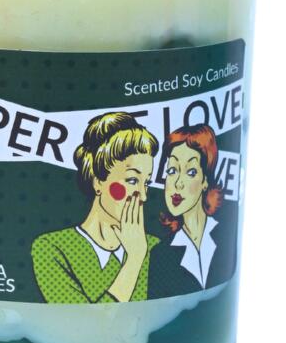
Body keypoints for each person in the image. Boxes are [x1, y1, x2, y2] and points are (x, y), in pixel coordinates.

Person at [31, 112, 160, 303]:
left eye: (146, 183)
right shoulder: (52, 248)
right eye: (132, 180)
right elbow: (83, 319)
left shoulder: (155, 248)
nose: (143, 196)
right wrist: (134, 260)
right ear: (98, 181)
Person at [148, 124, 236, 297]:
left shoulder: (225, 233)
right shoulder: (160, 254)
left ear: (205, 181)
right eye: (172, 170)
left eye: (191, 172)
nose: (178, 183)